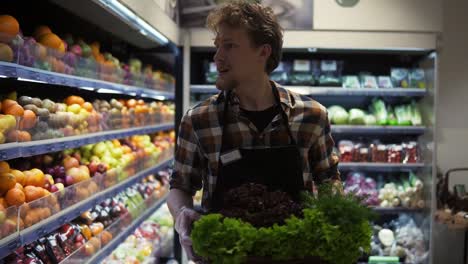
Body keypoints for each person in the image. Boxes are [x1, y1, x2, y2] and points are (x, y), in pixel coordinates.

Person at [168, 0, 341, 260]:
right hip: (224, 256)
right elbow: (179, 186)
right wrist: (182, 215)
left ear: (263, 52)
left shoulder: (311, 116)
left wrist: (335, 217)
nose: (217, 57)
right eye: (217, 47)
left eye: (229, 46)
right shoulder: (199, 120)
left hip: (295, 255)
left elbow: (329, 180)